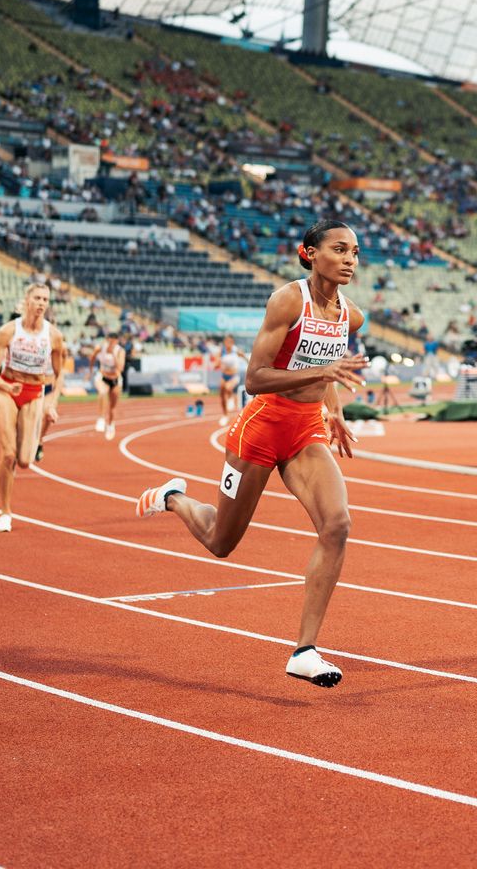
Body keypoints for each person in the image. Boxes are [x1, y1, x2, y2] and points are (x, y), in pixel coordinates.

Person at [135, 220, 364, 688]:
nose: (349, 260)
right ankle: (173, 497)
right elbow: (255, 378)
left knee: (337, 524)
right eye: (339, 250)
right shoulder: (288, 301)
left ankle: (305, 651)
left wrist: (334, 410)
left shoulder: (351, 316)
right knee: (221, 542)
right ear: (309, 252)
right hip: (261, 428)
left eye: (355, 252)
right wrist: (322, 373)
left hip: (305, 430)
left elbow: (329, 370)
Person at [0, 283, 66, 533]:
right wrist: (7, 387)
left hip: (34, 393)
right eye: (37, 298)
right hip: (7, 390)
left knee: (24, 461)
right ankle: (5, 513)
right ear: (27, 300)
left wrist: (52, 402)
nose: (41, 303)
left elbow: (60, 374)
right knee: (8, 454)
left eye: (45, 299)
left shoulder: (54, 336)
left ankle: (39, 440)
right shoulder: (9, 331)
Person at [91, 333, 126, 438]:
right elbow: (92, 357)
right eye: (110, 341)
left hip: (115, 380)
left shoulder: (120, 351)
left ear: (117, 341)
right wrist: (90, 370)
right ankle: (101, 418)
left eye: (114, 342)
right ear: (107, 340)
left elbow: (120, 368)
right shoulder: (100, 348)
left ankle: (110, 425)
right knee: (102, 392)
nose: (111, 344)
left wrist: (114, 355)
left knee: (112, 407)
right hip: (103, 377)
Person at [215, 334, 247, 424]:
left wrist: (249, 364)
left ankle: (231, 398)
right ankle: (225, 415)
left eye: (230, 341)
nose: (228, 343)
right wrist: (216, 363)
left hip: (234, 375)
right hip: (224, 375)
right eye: (226, 341)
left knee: (228, 387)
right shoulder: (221, 351)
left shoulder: (235, 350)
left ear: (232, 342)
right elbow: (216, 363)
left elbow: (244, 357)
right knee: (222, 394)